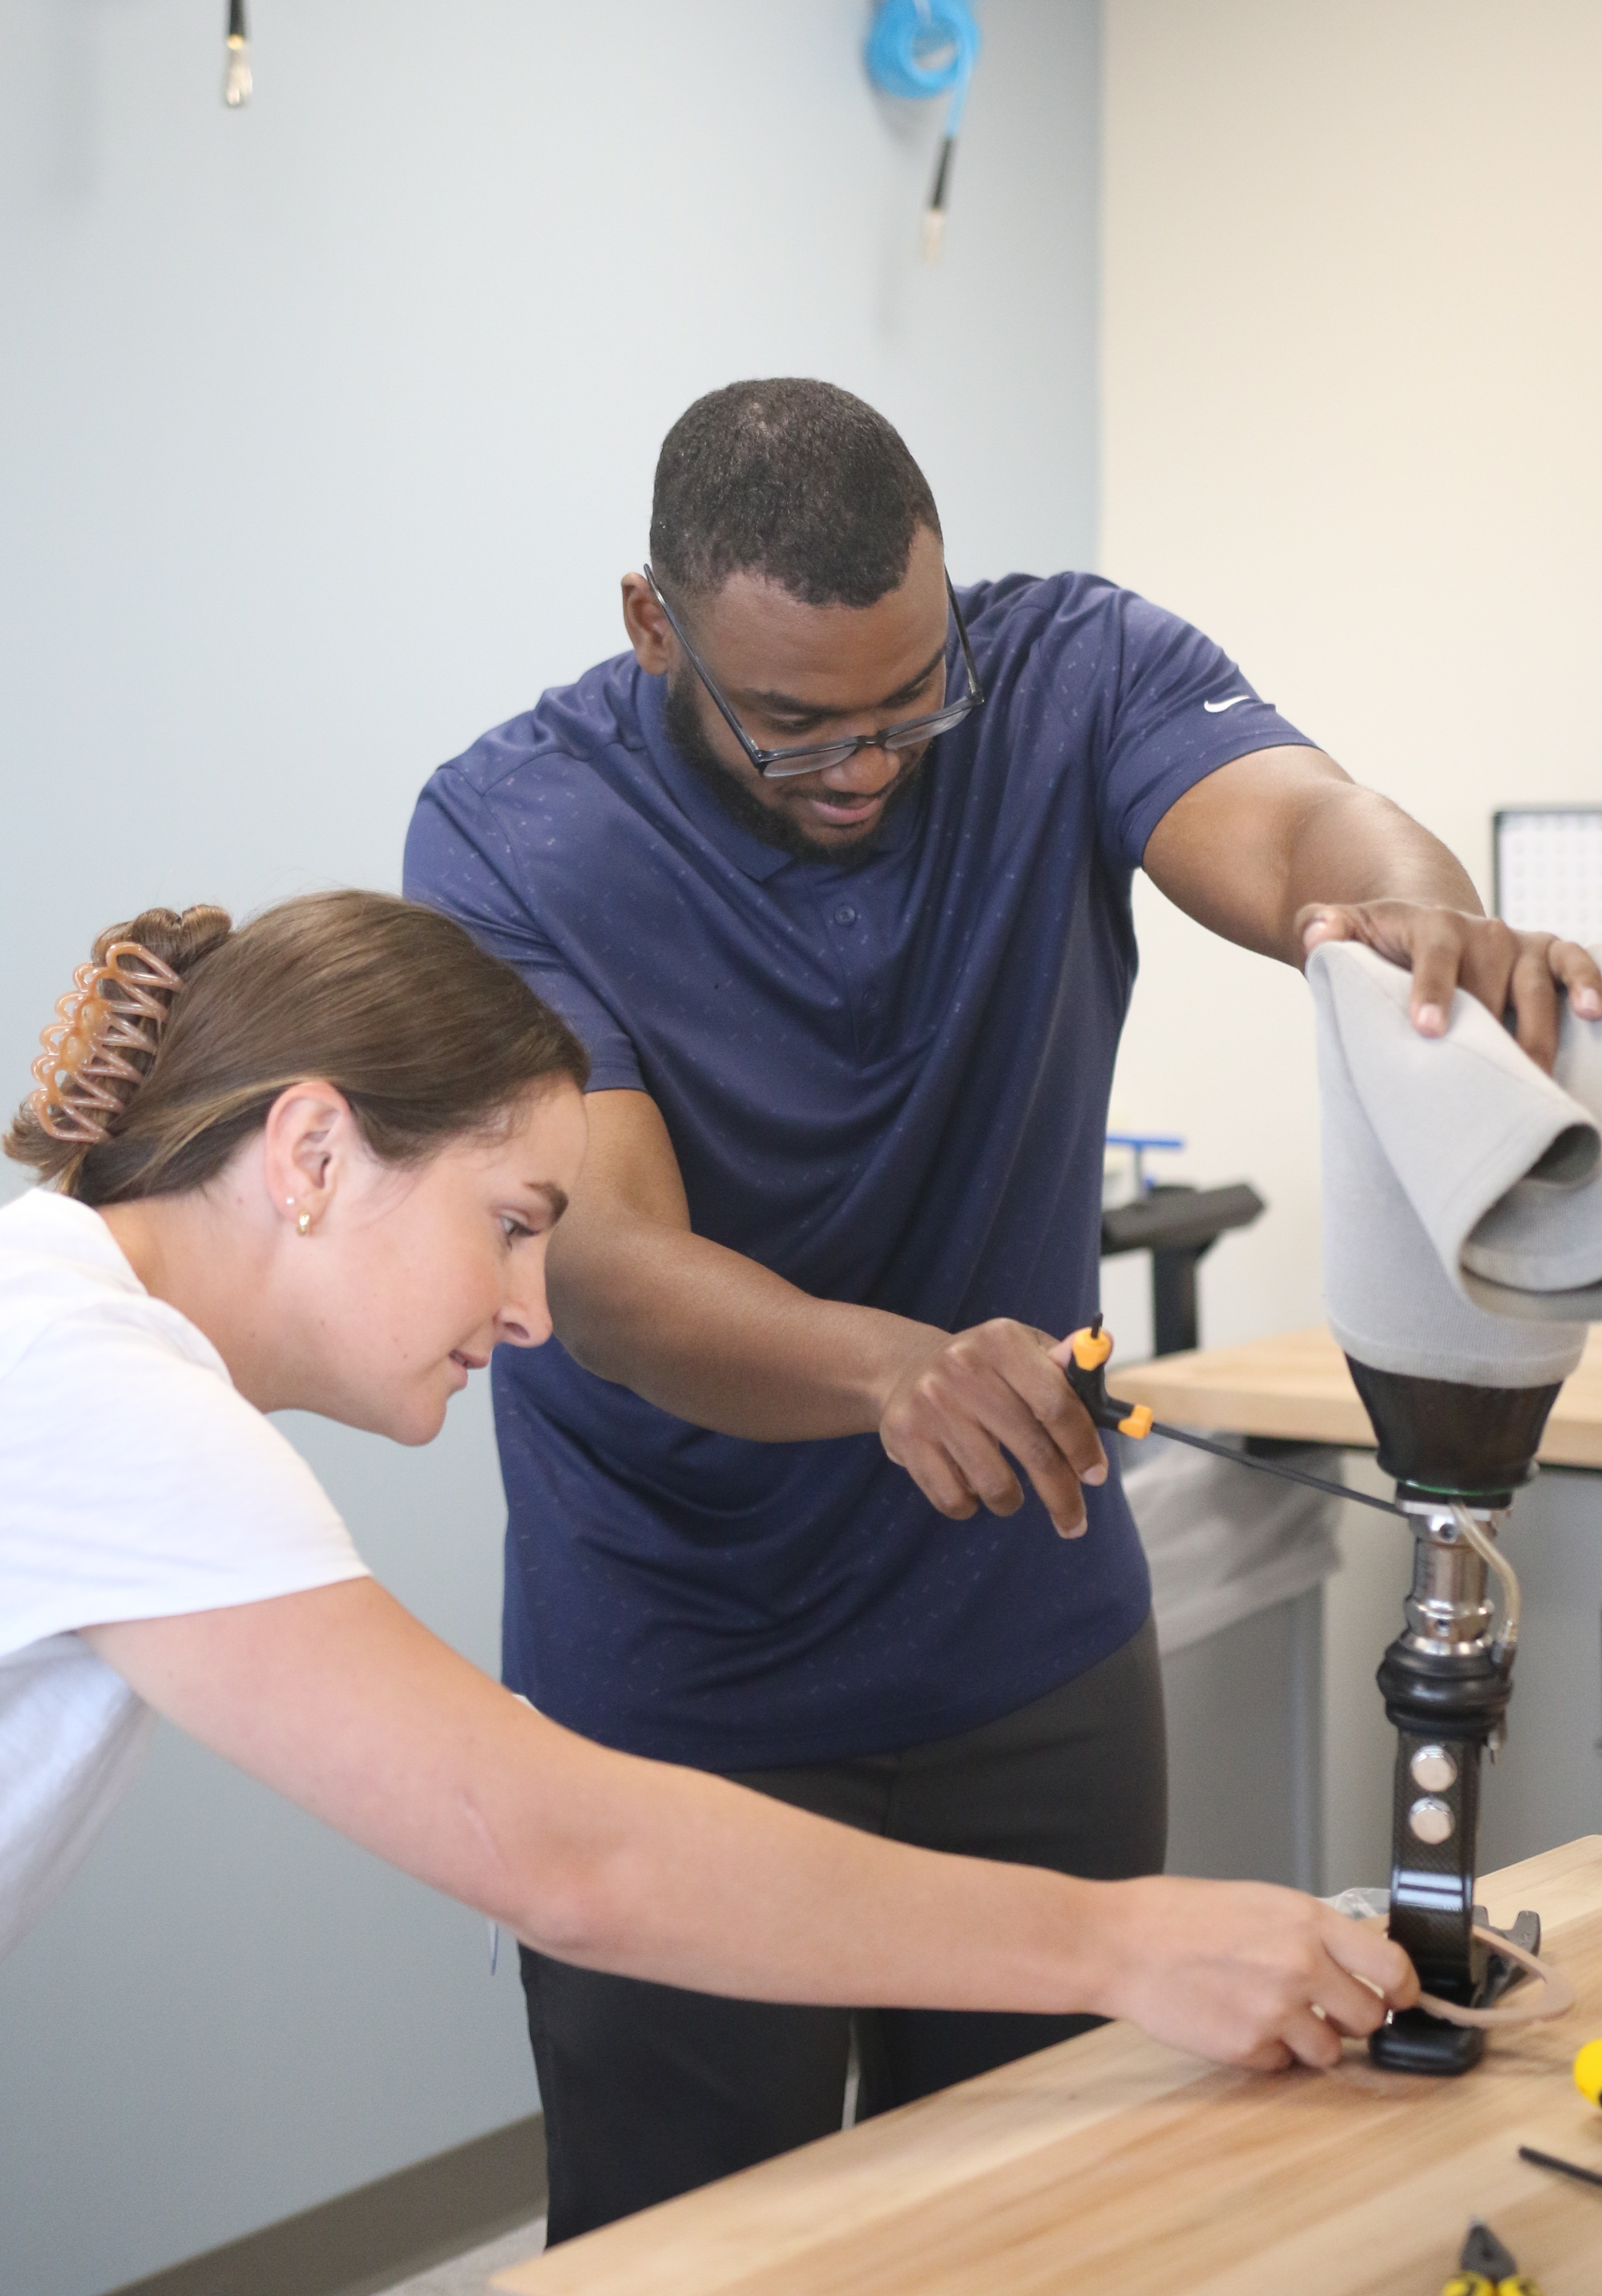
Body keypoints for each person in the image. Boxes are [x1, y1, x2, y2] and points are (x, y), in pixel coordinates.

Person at [0, 889, 1415, 2296]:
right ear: (314, 1152)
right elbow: (565, 1854)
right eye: (513, 1225)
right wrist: (1129, 1946)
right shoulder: (69, 1389)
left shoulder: (9, 1334)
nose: (536, 1312)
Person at [404, 378, 1602, 2241]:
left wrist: (1420, 918)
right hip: (681, 1686)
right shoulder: (510, 834)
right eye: (796, 726)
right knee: (712, 2252)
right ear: (655, 628)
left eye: (910, 703)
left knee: (1061, 2222)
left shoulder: (1073, 673)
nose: (870, 766)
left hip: (1029, 1666)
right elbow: (606, 1263)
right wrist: (898, 1372)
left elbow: (1305, 843)